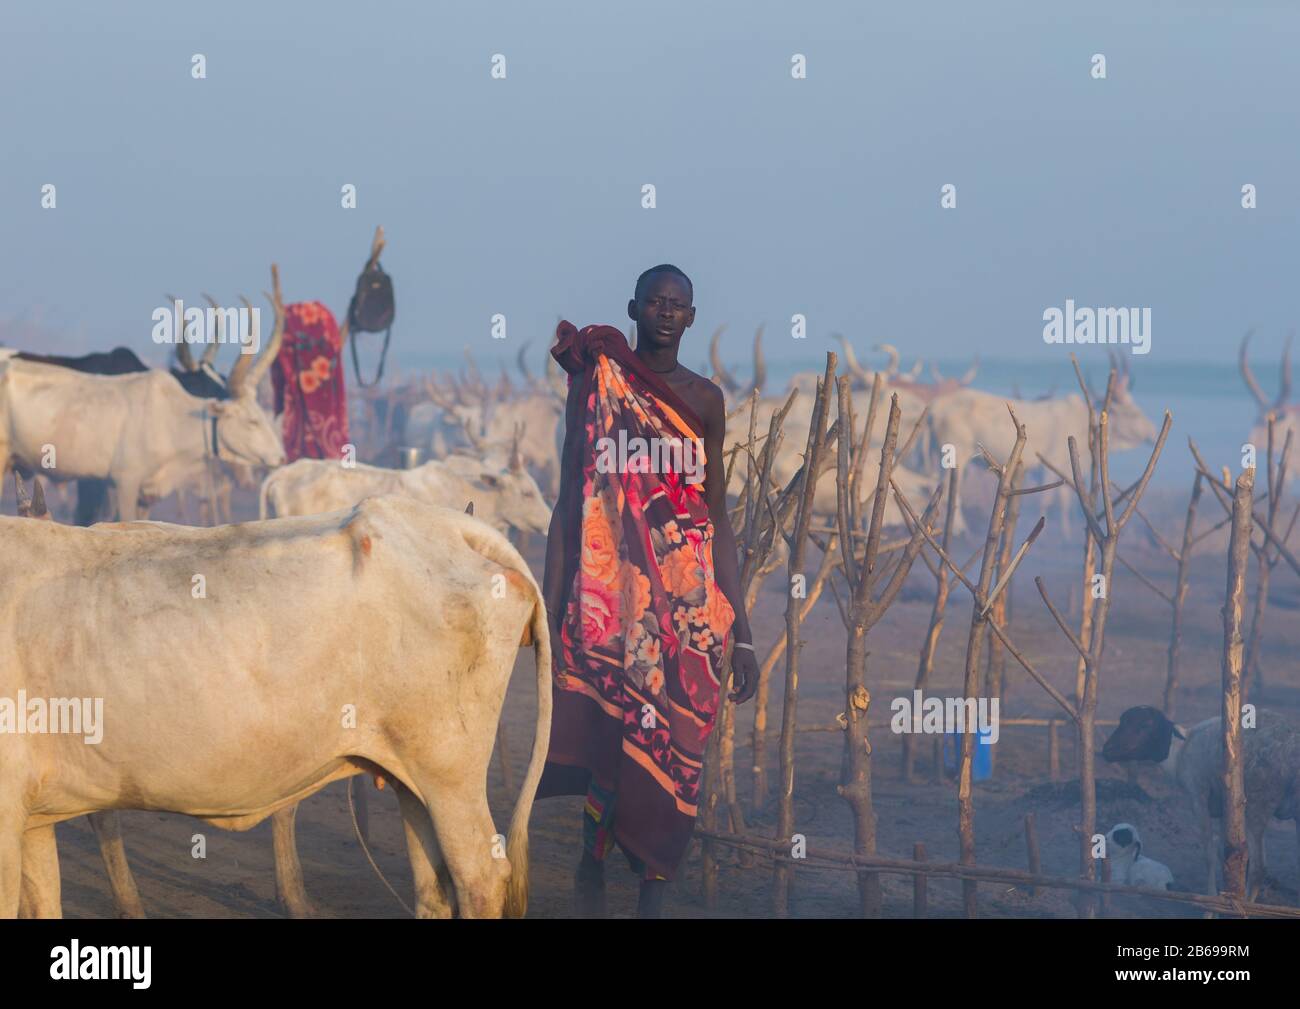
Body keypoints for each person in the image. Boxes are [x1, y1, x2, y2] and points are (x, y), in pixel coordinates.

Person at [538, 264, 758, 918]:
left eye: (678, 305)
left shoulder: (707, 400)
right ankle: (593, 853)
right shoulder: (600, 382)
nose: (665, 312)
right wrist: (549, 610)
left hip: (688, 605)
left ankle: (652, 890)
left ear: (691, 317)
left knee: (681, 744)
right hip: (611, 597)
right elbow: (569, 501)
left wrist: (740, 627)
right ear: (633, 308)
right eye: (655, 302)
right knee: (613, 736)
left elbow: (715, 513)